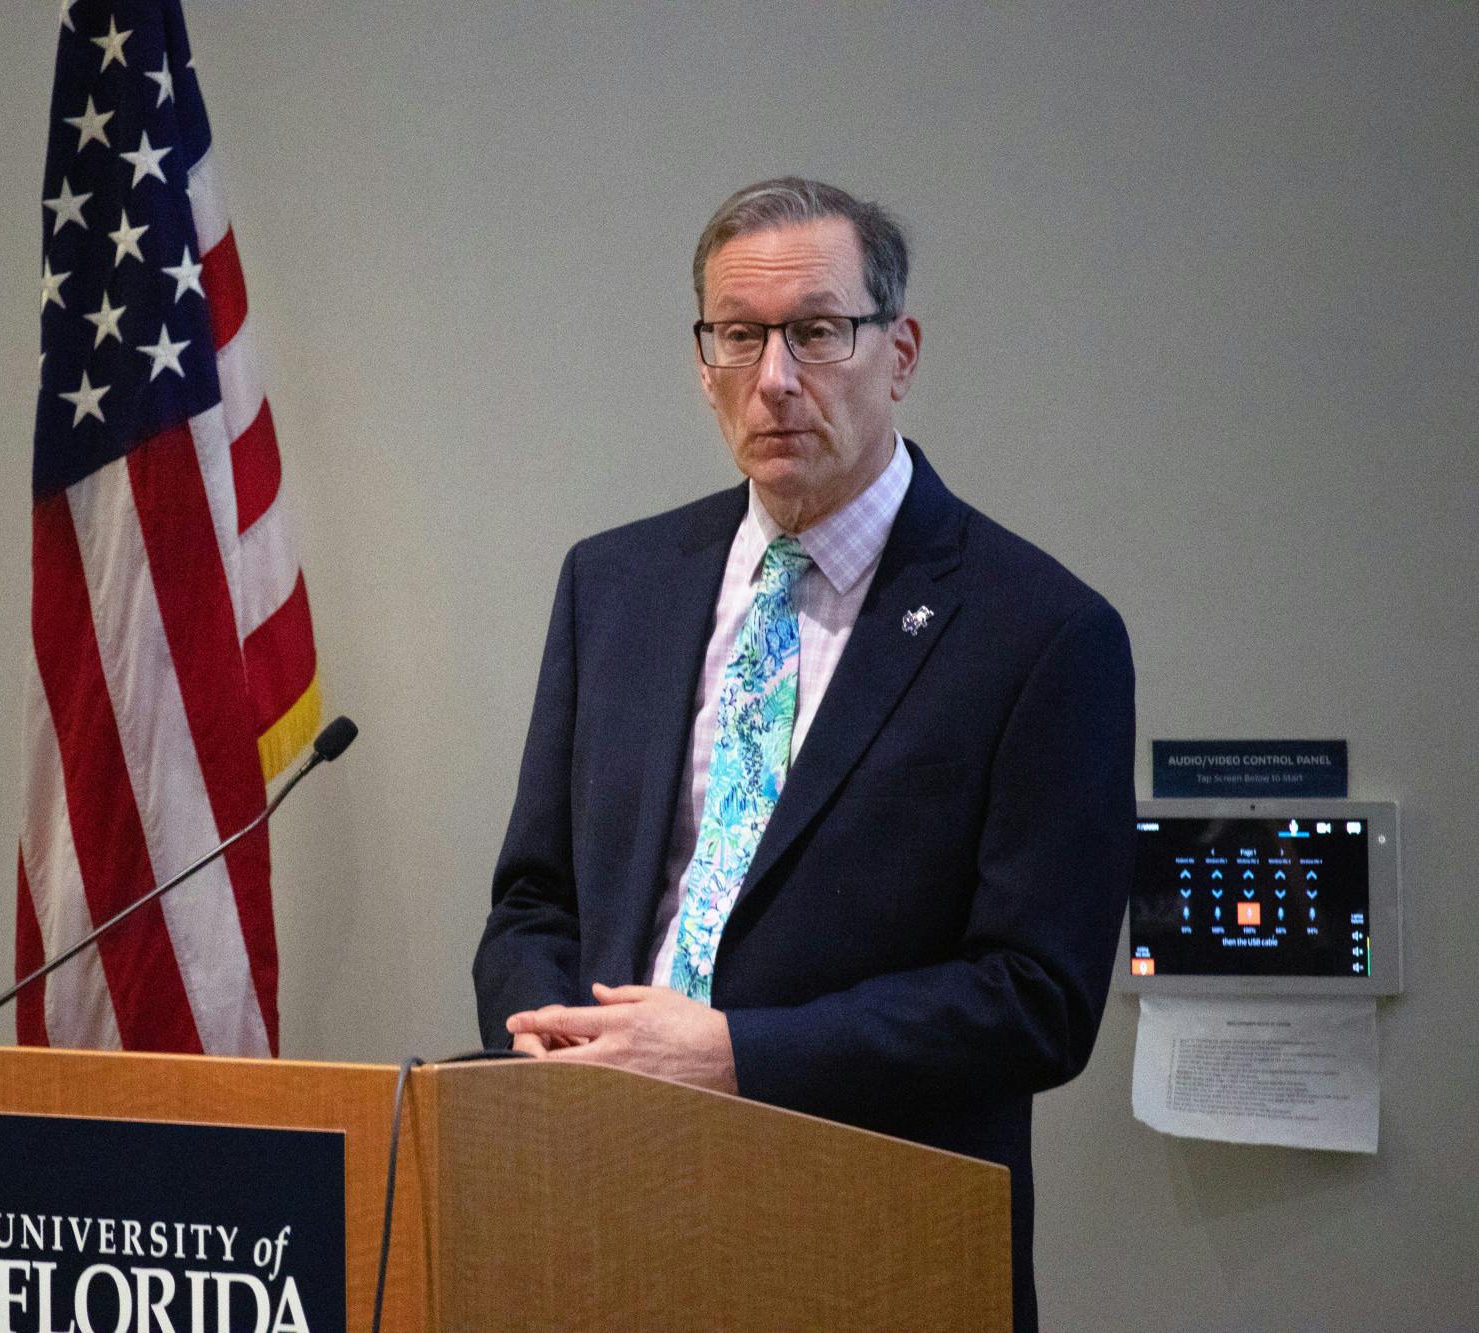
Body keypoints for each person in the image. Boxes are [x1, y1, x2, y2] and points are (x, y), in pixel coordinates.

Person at [471, 177, 1136, 1332]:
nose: (773, 379)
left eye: (817, 332)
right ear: (702, 356)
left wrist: (734, 1054)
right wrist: (553, 1045)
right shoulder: (611, 585)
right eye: (738, 336)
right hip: (600, 1215)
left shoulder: (1040, 632)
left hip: (869, 1246)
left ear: (898, 351)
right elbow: (534, 898)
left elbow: (1035, 998)